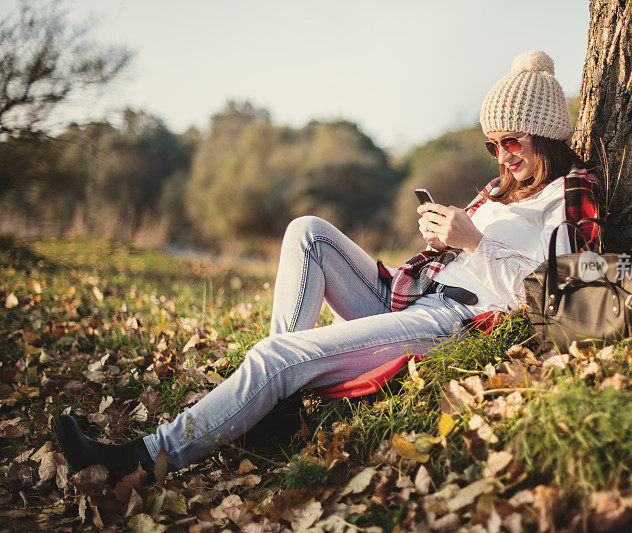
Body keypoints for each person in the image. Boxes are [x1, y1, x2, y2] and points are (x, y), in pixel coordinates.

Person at [54, 50, 600, 479]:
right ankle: (274, 410)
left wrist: (474, 241)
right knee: (307, 231)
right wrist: (448, 236)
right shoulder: (501, 191)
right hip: (419, 293)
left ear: (546, 133)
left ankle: (142, 457)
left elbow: (554, 294)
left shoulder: (567, 198)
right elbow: (468, 244)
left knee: (276, 355)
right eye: (492, 143)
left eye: (513, 140)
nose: (503, 154)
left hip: (452, 321)